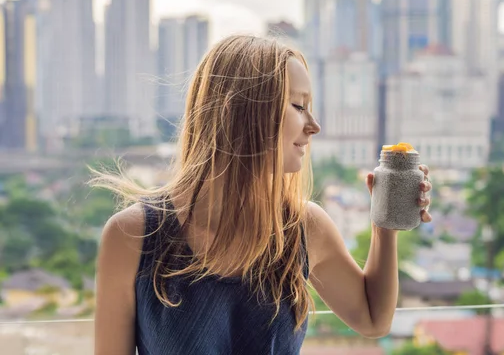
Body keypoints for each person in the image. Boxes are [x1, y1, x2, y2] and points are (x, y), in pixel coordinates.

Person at [93, 35, 433, 355]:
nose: (314, 126)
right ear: (241, 112)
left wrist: (384, 221)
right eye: (298, 106)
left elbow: (374, 319)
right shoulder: (133, 236)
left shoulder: (304, 227)